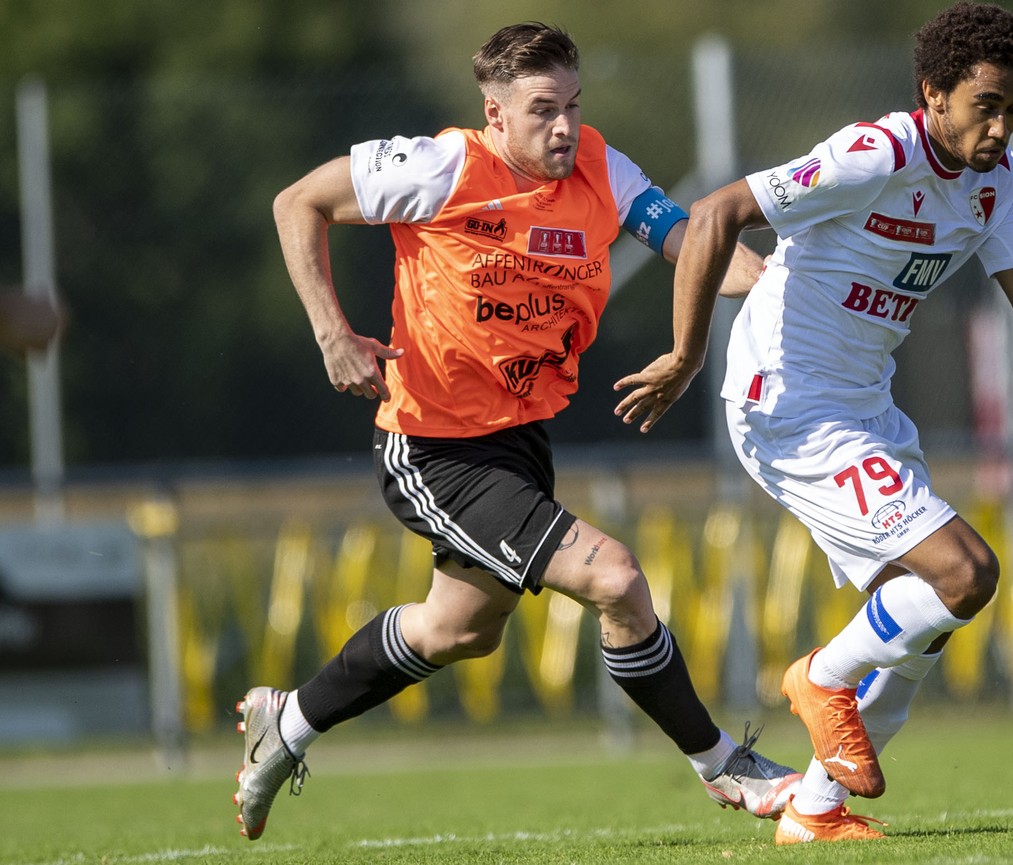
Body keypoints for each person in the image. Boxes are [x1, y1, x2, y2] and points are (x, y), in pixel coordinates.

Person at [615, 2, 1013, 844]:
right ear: (933, 93)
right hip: (788, 399)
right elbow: (718, 214)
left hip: (864, 406)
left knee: (923, 624)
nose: (1002, 125)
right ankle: (818, 677)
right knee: (966, 572)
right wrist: (686, 355)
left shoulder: (996, 182)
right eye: (987, 105)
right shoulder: (877, 153)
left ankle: (815, 812)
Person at [241, 22, 799, 842]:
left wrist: (788, 280)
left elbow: (697, 248)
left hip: (522, 440)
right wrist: (332, 330)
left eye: (573, 105)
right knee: (613, 575)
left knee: (459, 627)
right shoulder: (439, 167)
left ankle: (284, 723)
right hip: (432, 444)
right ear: (495, 116)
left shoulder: (604, 169)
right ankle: (724, 766)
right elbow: (299, 201)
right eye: (543, 110)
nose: (565, 127)